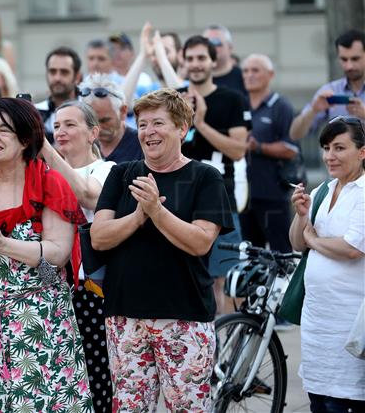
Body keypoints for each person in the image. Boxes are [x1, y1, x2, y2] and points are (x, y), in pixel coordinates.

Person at [0, 97, 92, 412]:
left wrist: (2, 244)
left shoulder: (49, 182)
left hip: (40, 325)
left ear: (25, 139)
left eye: (3, 130)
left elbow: (58, 254)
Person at [91, 89, 234, 412]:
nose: (148, 132)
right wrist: (139, 215)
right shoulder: (121, 173)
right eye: (142, 124)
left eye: (158, 123)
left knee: (187, 408)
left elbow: (200, 241)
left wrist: (157, 211)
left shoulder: (205, 177)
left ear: (182, 128)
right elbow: (99, 237)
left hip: (184, 318)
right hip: (125, 317)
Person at [39, 99, 115, 412]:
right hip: (50, 282)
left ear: (93, 132)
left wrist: (43, 145)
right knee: (56, 378)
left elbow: (87, 195)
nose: (61, 132)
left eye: (70, 124)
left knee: (97, 377)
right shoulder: (41, 170)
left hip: (91, 287)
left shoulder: (106, 169)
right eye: (56, 126)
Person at [288, 116, 365, 411]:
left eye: (339, 148)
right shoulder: (322, 190)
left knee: (345, 401)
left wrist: (314, 241)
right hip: (317, 324)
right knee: (319, 401)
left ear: (362, 152)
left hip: (350, 324)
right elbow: (296, 242)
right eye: (326, 148)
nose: (330, 156)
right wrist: (302, 216)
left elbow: (352, 247)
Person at [179, 35, 250, 314]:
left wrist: (201, 123)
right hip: (179, 200)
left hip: (221, 200)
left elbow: (238, 150)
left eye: (201, 58)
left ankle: (227, 352)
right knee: (185, 280)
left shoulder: (232, 99)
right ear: (183, 63)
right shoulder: (174, 98)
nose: (195, 64)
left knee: (224, 280)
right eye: (190, 58)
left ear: (212, 60)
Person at [240, 54, 298, 254]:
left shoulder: (281, 105)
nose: (249, 75)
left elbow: (292, 149)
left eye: (255, 70)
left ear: (270, 74)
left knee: (281, 255)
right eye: (246, 71)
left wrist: (259, 147)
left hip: (273, 194)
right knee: (250, 256)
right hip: (244, 195)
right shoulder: (240, 104)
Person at [290, 29, 365, 141]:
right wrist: (313, 110)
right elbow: (295, 135)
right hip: (339, 157)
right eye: (344, 59)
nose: (349, 66)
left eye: (355, 59)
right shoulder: (330, 90)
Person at [79, 74, 143, 163]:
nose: (98, 129)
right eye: (92, 122)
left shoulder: (143, 145)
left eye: (105, 120)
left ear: (123, 111)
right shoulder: (80, 146)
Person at [34, 46, 82, 142]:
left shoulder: (90, 111)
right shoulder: (34, 112)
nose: (57, 78)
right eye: (52, 71)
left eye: (64, 72)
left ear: (77, 77)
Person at [204, 24, 246, 97]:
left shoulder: (244, 77)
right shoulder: (194, 78)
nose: (212, 47)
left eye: (217, 43)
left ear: (230, 47)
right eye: (208, 44)